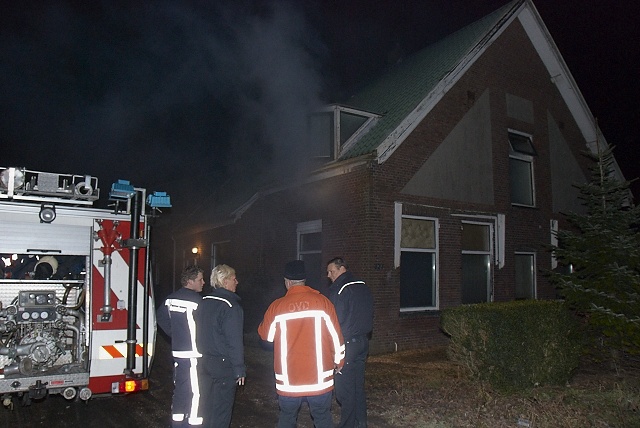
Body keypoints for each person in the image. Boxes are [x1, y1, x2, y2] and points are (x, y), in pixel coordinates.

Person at [258, 260, 345, 428]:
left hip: (289, 380)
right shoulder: (323, 303)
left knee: (287, 418)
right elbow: (336, 337)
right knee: (322, 418)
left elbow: (265, 336)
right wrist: (339, 361)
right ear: (304, 280)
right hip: (320, 378)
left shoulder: (276, 307)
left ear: (287, 282)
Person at [326, 257, 374, 428]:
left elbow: (334, 322)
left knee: (345, 392)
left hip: (346, 345)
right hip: (363, 342)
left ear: (341, 269)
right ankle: (361, 423)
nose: (329, 275)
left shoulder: (339, 290)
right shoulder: (363, 286)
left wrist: (333, 349)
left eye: (331, 271)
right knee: (357, 387)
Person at [196, 264, 246, 428]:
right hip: (223, 365)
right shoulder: (230, 306)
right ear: (224, 282)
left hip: (203, 363)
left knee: (206, 407)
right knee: (221, 410)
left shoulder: (203, 302)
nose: (236, 282)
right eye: (233, 279)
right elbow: (234, 341)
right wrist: (239, 368)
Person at [157, 265, 205, 427]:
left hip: (178, 352)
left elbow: (161, 318)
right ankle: (193, 423)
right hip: (193, 353)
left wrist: (176, 335)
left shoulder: (170, 299)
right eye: (200, 279)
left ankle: (176, 421)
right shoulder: (198, 302)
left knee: (180, 389)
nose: (203, 282)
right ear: (190, 281)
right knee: (196, 391)